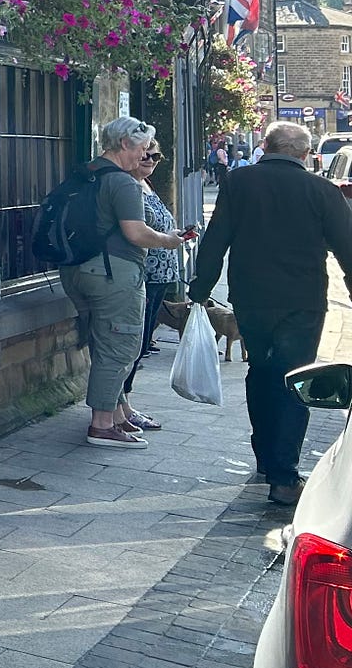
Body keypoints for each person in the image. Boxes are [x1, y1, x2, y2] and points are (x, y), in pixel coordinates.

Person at [188, 121, 352, 505]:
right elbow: (348, 249)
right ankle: (283, 476)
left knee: (260, 370)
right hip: (302, 300)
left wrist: (201, 287)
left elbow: (216, 239)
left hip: (251, 298)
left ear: (265, 147)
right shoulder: (322, 190)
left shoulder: (238, 184)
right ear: (305, 154)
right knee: (296, 379)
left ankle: (265, 458)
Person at [61, 116, 184, 449]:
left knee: (103, 343)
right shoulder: (122, 182)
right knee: (120, 346)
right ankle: (102, 424)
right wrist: (168, 240)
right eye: (142, 148)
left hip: (75, 270)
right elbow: (136, 233)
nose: (143, 156)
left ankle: (114, 414)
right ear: (125, 144)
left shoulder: (84, 172)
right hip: (112, 273)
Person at [130, 142, 187, 358]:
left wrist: (177, 234)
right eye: (146, 156)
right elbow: (138, 230)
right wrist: (165, 239)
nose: (151, 161)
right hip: (146, 270)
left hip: (162, 271)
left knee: (148, 325)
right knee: (139, 330)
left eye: (156, 157)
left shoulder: (147, 184)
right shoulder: (130, 186)